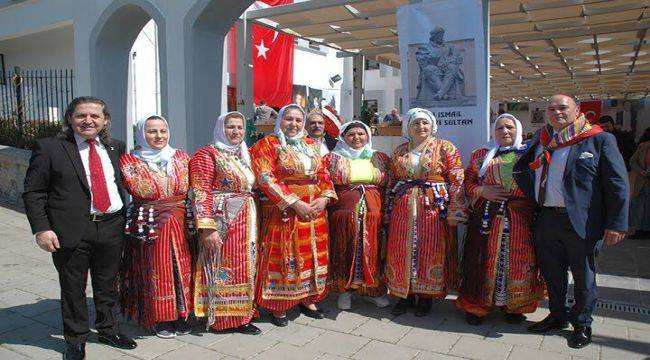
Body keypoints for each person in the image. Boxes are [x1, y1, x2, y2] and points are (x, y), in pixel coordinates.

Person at [22, 97, 137, 360]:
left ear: (105, 120)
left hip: (111, 225)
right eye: (81, 115)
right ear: (70, 119)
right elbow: (34, 191)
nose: (88, 121)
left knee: (108, 284)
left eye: (95, 116)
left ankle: (109, 329)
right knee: (73, 287)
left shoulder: (115, 147)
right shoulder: (50, 147)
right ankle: (75, 340)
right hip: (71, 229)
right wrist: (42, 229)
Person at [513, 94, 629, 349]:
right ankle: (557, 315)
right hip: (546, 219)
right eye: (551, 108)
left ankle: (582, 323)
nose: (557, 112)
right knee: (553, 274)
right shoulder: (542, 139)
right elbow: (524, 169)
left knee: (583, 277)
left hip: (581, 223)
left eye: (563, 107)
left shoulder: (599, 139)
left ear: (578, 111)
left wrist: (617, 223)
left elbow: (617, 184)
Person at [250, 104, 338, 327]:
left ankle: (308, 299)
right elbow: (266, 178)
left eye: (299, 120)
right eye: (289, 119)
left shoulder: (311, 145)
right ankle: (279, 306)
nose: (294, 124)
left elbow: (323, 174)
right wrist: (295, 203)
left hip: (315, 210)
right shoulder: (268, 144)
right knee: (285, 254)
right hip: (284, 210)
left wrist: (325, 198)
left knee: (312, 254)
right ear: (280, 120)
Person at [457, 113, 543, 325]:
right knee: (481, 258)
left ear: (518, 130)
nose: (505, 132)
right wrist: (482, 190)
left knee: (518, 259)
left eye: (509, 128)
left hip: (520, 217)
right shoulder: (481, 155)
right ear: (493, 132)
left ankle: (514, 306)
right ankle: (477, 306)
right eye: (500, 128)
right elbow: (467, 182)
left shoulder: (530, 153)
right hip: (486, 215)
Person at [385, 108, 467, 317]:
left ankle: (426, 296)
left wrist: (455, 210)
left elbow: (457, 177)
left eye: (425, 123)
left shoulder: (445, 148)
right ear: (408, 127)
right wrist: (388, 208)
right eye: (416, 123)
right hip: (404, 206)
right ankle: (405, 295)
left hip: (434, 205)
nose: (421, 127)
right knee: (401, 248)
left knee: (431, 247)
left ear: (432, 126)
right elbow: (392, 180)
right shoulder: (400, 150)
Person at [118, 115, 194, 338]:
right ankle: (160, 317)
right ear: (141, 133)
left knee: (182, 265)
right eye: (152, 131)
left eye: (163, 131)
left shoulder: (180, 156)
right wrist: (168, 200)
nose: (159, 136)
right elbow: (142, 189)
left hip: (180, 220)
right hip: (150, 221)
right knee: (156, 267)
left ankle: (182, 312)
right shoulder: (130, 161)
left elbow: (188, 185)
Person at [190, 111, 261, 335]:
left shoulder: (243, 154)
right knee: (222, 263)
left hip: (246, 217)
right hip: (223, 219)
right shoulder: (207, 154)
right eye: (231, 127)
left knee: (245, 264)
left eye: (240, 127)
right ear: (221, 128)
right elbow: (200, 191)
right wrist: (207, 228)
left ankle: (242, 315)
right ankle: (220, 319)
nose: (236, 132)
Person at [323, 120, 391, 310]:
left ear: (368, 136)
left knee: (374, 251)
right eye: (351, 134)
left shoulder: (379, 158)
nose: (357, 138)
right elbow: (325, 184)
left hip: (373, 211)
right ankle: (345, 292)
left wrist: (387, 210)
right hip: (343, 212)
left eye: (361, 134)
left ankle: (373, 291)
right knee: (346, 248)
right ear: (343, 137)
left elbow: (390, 184)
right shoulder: (332, 158)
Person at [629, 127, 650, 239]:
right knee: (639, 205)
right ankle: (639, 229)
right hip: (642, 181)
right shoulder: (642, 147)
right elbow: (633, 161)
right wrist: (640, 171)